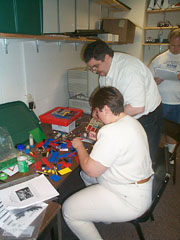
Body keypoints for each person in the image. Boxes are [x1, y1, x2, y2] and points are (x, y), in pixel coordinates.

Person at [62, 86, 154, 240]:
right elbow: (121, 146)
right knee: (85, 176)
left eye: (97, 112)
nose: (96, 116)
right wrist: (99, 140)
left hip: (129, 198)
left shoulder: (111, 132)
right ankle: (104, 214)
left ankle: (97, 214)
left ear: (105, 109)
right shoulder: (131, 122)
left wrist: (78, 146)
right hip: (140, 187)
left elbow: (91, 169)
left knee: (69, 210)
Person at [83, 40, 162, 163]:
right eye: (91, 68)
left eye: (96, 66)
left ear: (107, 57)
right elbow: (106, 97)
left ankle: (146, 180)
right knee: (126, 154)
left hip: (147, 117)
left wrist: (106, 116)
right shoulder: (105, 69)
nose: (94, 71)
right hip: (126, 114)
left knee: (144, 158)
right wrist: (97, 110)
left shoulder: (129, 71)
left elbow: (137, 108)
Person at [149, 28, 180, 159]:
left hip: (177, 103)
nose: (175, 49)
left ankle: (171, 157)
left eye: (179, 46)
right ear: (168, 43)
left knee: (174, 132)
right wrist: (154, 81)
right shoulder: (159, 59)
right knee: (159, 130)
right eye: (173, 45)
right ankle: (160, 157)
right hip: (160, 102)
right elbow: (147, 79)